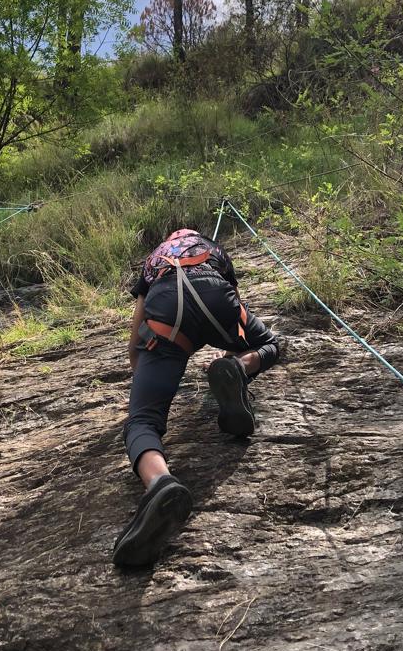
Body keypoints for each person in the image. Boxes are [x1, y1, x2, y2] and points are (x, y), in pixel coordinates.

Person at [114, 226, 284, 569]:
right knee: (271, 344)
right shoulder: (212, 248)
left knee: (143, 420)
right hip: (215, 296)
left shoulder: (155, 259)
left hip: (166, 310)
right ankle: (239, 366)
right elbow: (233, 299)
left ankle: (160, 482)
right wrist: (228, 350)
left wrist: (141, 366)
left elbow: (140, 314)